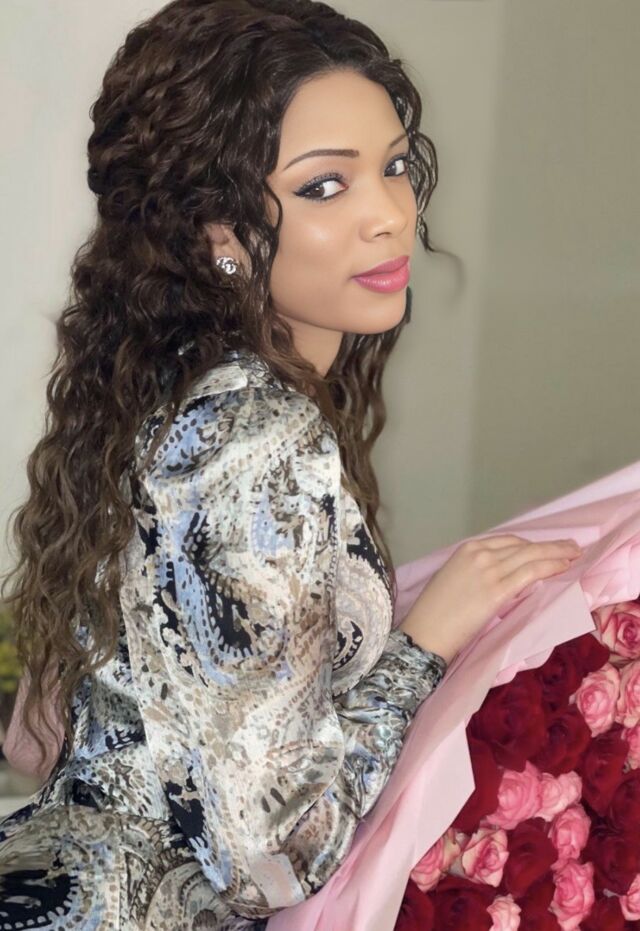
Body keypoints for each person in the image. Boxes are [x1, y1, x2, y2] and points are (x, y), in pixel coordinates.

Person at [0, 1, 583, 928]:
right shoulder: (255, 435)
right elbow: (267, 858)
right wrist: (424, 643)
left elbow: (45, 736)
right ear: (217, 232)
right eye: (324, 186)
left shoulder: (162, 389)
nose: (389, 215)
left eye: (395, 167)